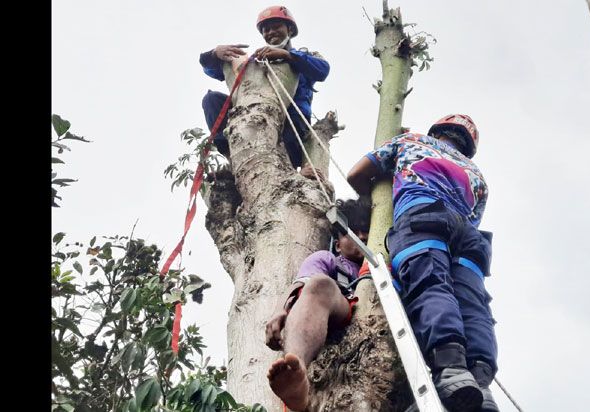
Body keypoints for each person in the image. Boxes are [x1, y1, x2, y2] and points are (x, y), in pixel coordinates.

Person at [347, 115, 499, 412]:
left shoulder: (411, 140)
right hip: (470, 237)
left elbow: (355, 175)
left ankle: (451, 370)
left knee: (430, 282)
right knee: (472, 303)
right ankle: (480, 382)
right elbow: (472, 216)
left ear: (438, 130)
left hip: (423, 215)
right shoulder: (478, 176)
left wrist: (379, 197)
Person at [264, 197, 371, 411]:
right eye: (352, 232)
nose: (361, 236)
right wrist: (279, 310)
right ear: (338, 244)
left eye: (365, 230)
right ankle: (295, 372)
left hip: (374, 328)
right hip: (338, 311)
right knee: (320, 284)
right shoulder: (329, 260)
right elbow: (301, 284)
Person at [199, 5, 330, 169]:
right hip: (252, 115)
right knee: (211, 100)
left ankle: (286, 169)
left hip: (291, 120)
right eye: (266, 30)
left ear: (289, 30)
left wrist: (288, 56)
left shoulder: (304, 57)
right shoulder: (256, 61)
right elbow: (212, 70)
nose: (270, 32)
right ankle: (230, 152)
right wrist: (213, 54)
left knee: (287, 146)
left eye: (276, 27)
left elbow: (322, 70)